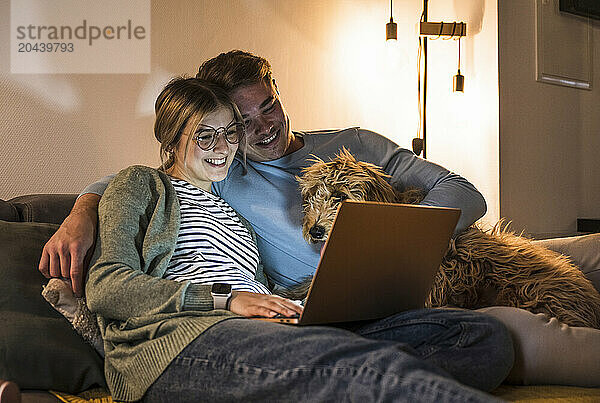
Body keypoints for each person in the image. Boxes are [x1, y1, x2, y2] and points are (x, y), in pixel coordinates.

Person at [84, 75, 513, 402]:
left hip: (278, 328)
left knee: (479, 336)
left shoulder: (233, 206)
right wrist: (227, 300)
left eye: (231, 133)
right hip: (182, 338)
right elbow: (107, 287)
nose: (223, 147)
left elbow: (264, 287)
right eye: (204, 135)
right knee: (367, 367)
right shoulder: (141, 184)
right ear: (171, 136)